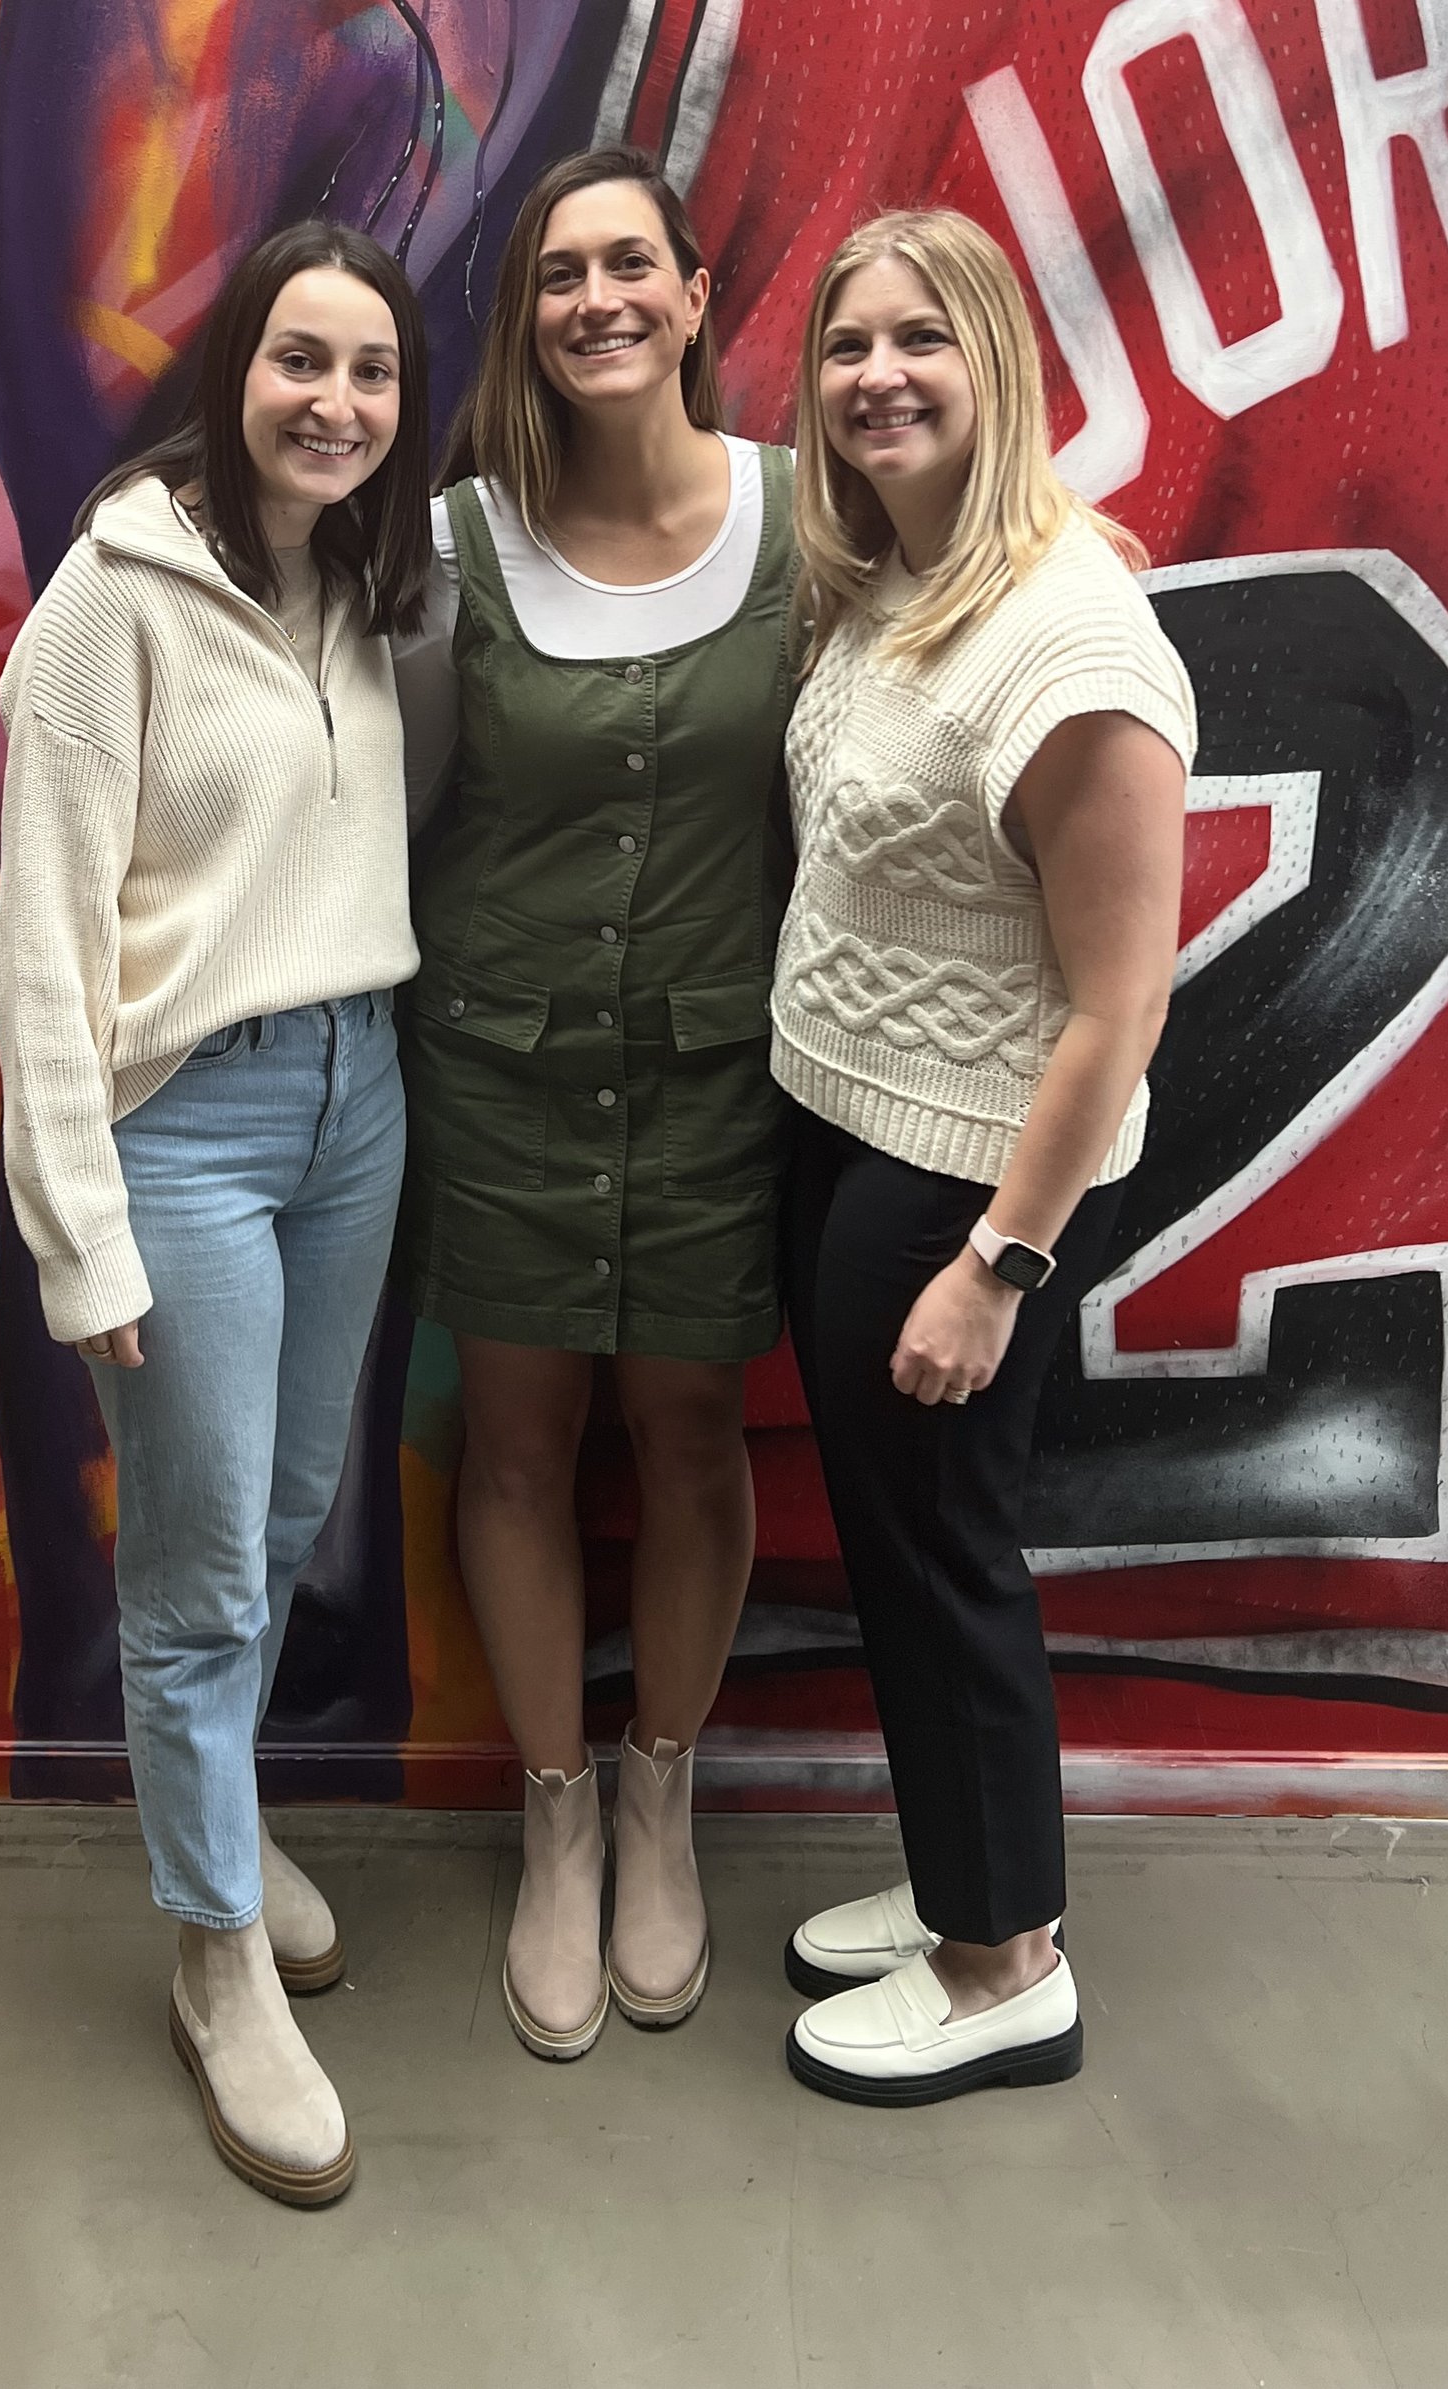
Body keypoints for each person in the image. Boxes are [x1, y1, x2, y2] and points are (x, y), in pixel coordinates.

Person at [0, 220, 431, 2209]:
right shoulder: (116, 596)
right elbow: (39, 946)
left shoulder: (371, 581)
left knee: (277, 1512)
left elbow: (705, 517)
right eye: (297, 359)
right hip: (190, 1128)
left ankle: (224, 1822)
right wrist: (78, 1231)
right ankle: (213, 1945)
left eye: (369, 371)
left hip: (358, 1099)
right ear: (230, 367)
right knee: (197, 1574)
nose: (331, 401)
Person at [771, 208, 1192, 2109]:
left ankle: (1004, 1961)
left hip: (962, 1183)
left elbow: (1116, 1005)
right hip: (854, 1131)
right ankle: (971, 1881)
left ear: (997, 361)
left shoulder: (1071, 631)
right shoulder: (899, 577)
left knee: (944, 1555)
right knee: (901, 1542)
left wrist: (999, 1260)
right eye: (849, 344)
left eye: (921, 339)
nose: (879, 375)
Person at [392, 144, 796, 2060]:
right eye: (560, 273)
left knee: (698, 1432)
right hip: (503, 1069)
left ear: (697, 293)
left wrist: (1073, 551)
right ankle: (556, 1819)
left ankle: (662, 1791)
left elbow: (981, 575)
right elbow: (375, 785)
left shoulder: (809, 524)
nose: (597, 298)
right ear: (527, 318)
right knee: (519, 1444)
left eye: (631, 261)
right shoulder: (461, 546)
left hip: (723, 1078)